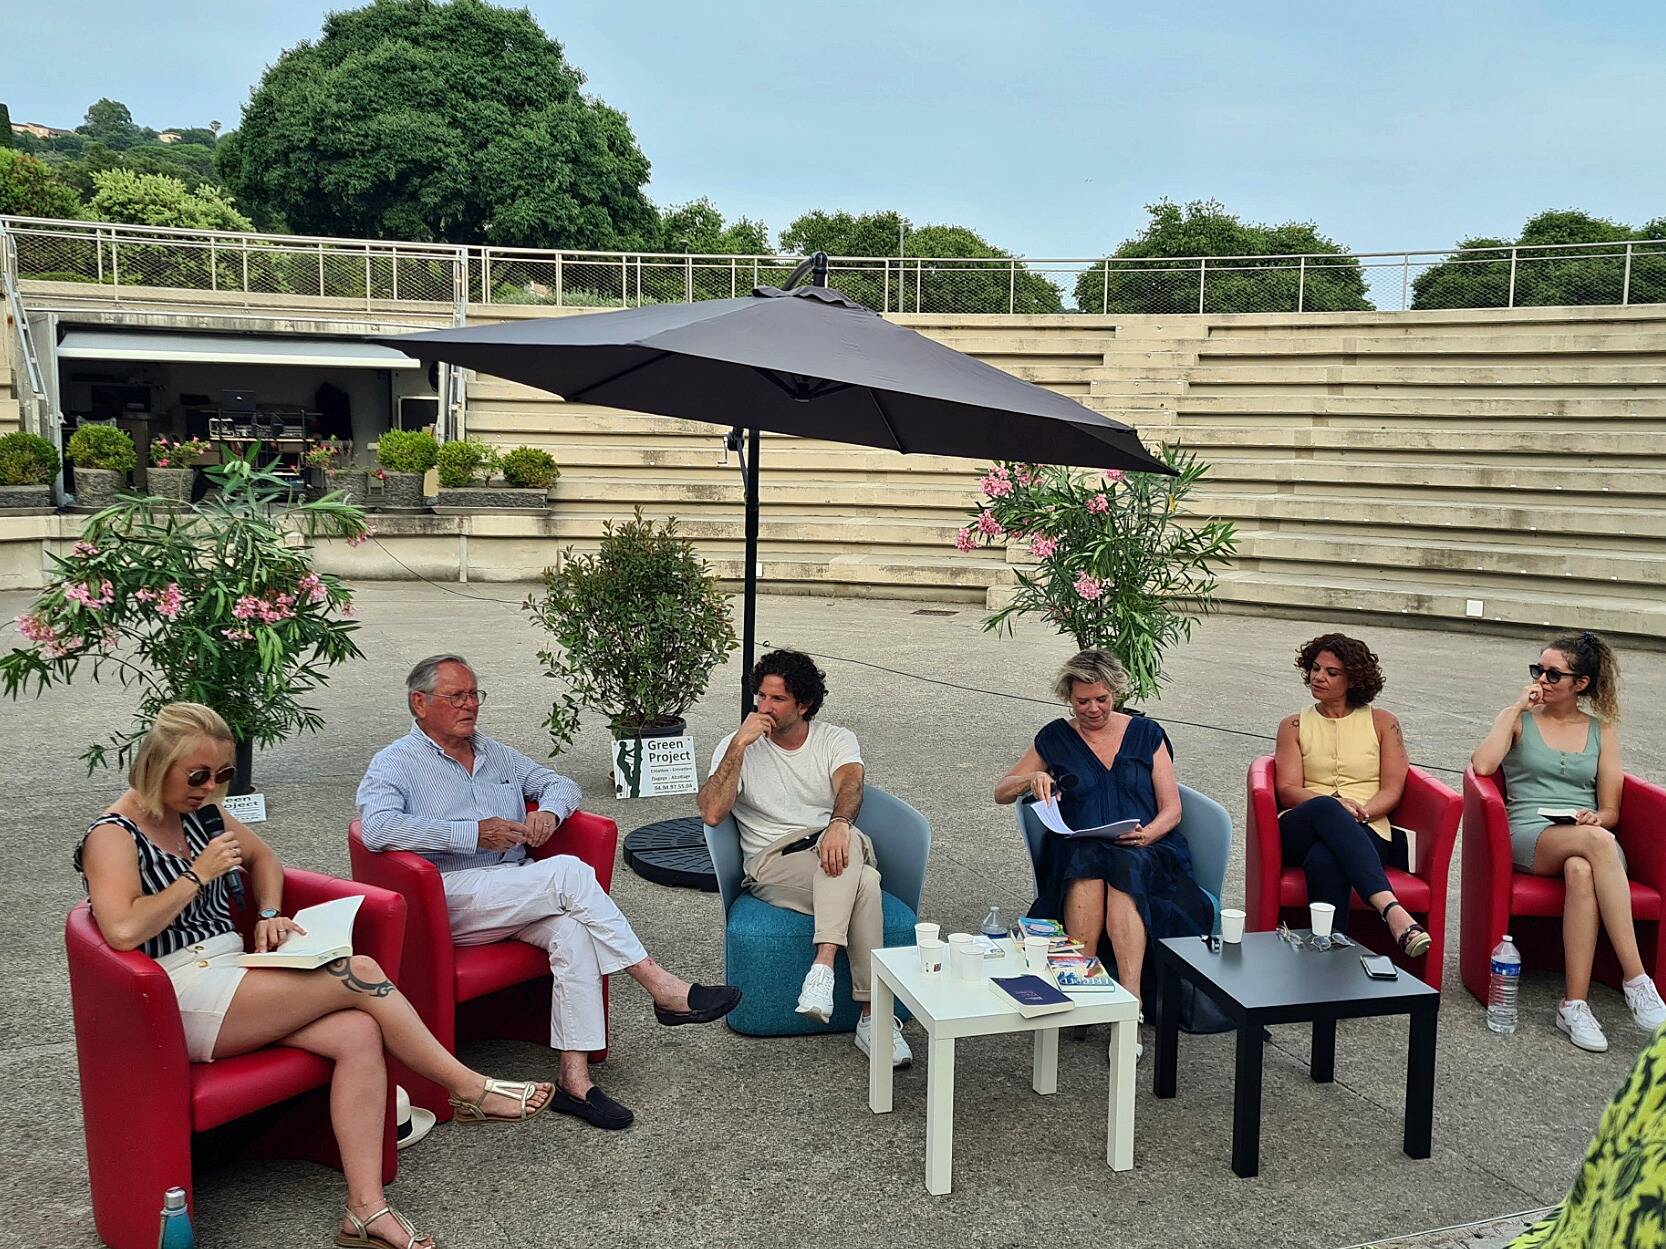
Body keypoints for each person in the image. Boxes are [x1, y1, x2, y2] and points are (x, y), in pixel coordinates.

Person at [76, 703, 551, 1249]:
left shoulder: (202, 813)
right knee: (359, 973)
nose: (210, 787)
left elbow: (266, 862)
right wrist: (196, 875)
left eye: (223, 774)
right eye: (198, 775)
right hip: (173, 992)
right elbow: (121, 930)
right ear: (156, 765)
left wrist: (271, 913)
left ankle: (366, 1212)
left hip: (233, 972)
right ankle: (466, 1089)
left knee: (358, 1033)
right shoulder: (112, 836)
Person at [356, 655, 741, 1131]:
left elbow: (560, 783)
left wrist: (551, 814)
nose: (470, 705)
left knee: (573, 931)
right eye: (457, 696)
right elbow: (375, 828)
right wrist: (470, 833)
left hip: (514, 889)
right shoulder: (395, 762)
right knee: (567, 872)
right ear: (420, 702)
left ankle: (574, 1082)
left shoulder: (494, 752)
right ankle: (661, 988)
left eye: (475, 694)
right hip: (446, 896)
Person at [697, 649, 911, 1067]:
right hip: (773, 861)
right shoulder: (735, 745)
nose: (764, 707)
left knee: (846, 843)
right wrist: (739, 746)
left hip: (833, 842)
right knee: (865, 882)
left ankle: (822, 970)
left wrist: (838, 823)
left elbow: (850, 786)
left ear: (804, 704)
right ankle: (873, 1018)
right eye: (760, 696)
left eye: (777, 699)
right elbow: (711, 811)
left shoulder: (835, 738)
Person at [1471, 630, 1665, 1051]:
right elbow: (1483, 765)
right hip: (1530, 833)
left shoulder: (1601, 731)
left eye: (1553, 674)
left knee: (1583, 867)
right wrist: (1515, 708)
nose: (1542, 679)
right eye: (1537, 669)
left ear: (1580, 684)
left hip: (1586, 835)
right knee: (1594, 844)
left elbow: (1612, 809)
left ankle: (1573, 1004)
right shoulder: (1520, 720)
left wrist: (1596, 816)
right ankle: (1636, 979)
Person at [995, 649, 1214, 1014]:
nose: (1093, 708)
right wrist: (1029, 779)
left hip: (1147, 846)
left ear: (1115, 693)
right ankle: (1083, 984)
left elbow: (1172, 808)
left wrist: (1149, 834)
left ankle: (1130, 1001)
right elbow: (1000, 792)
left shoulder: (1146, 733)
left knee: (1124, 865)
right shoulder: (1054, 736)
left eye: (1102, 699)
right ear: (1069, 697)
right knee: (1088, 859)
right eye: (1083, 701)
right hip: (1078, 846)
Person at [1272, 633, 1430, 954]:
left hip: (1367, 828)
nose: (1319, 677)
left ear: (1353, 679)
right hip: (1301, 825)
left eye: (1331, 673)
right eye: (1315, 668)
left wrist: (1364, 812)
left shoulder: (1383, 723)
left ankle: (1330, 959)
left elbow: (1392, 789)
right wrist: (1335, 806)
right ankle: (1392, 910)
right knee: (1328, 808)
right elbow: (1287, 790)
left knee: (1324, 859)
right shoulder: (1293, 726)